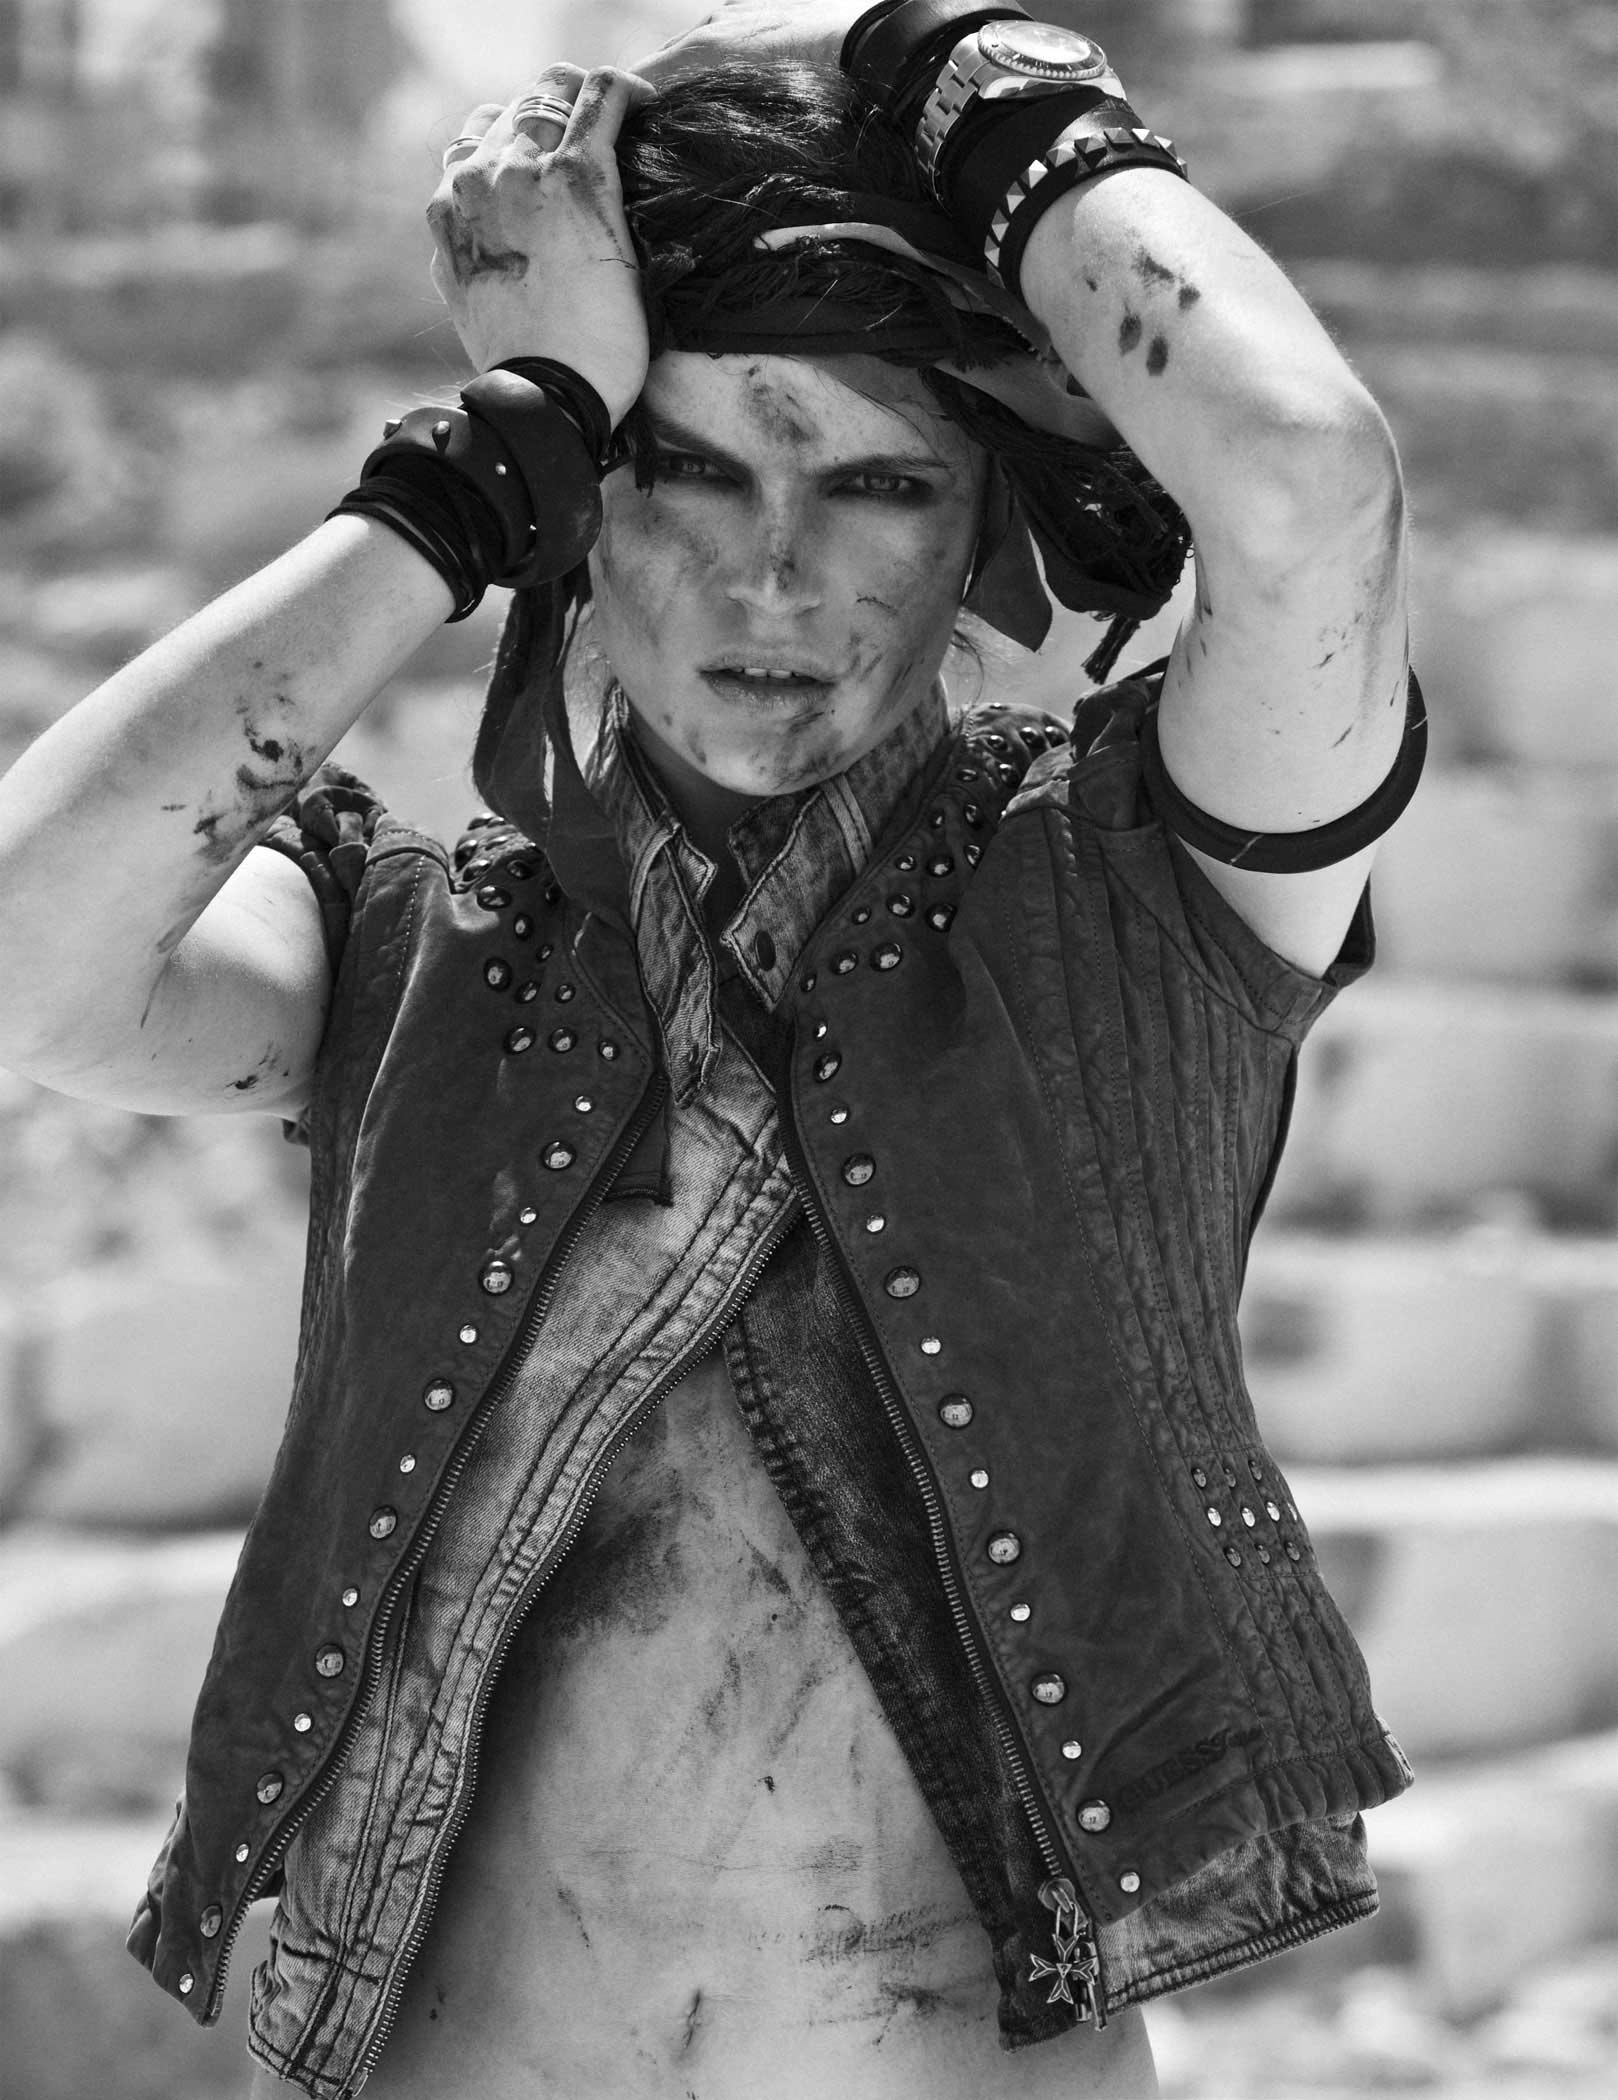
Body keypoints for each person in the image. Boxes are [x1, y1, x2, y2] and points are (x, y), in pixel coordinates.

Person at [0, 4, 1425, 2095]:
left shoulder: (1138, 899)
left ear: (976, 529)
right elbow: (29, 946)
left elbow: (1302, 483)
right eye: (683, 466)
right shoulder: (420, 948)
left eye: (876, 483)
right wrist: (492, 447)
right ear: (578, 510)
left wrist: (971, 81)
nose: (772, 570)